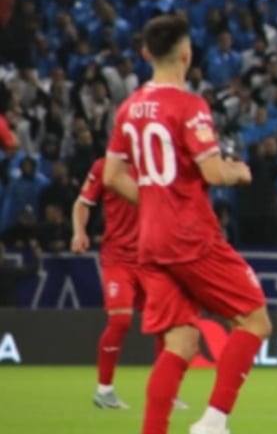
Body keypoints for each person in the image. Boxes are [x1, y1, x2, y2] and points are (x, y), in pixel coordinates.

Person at [102, 14, 270, 434]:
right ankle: (214, 421)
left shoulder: (128, 109)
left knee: (181, 343)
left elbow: (112, 176)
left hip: (152, 239)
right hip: (190, 236)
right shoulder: (190, 106)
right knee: (254, 320)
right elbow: (213, 174)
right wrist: (238, 171)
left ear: (145, 54)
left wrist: (157, 201)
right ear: (186, 53)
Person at [71, 156, 188, 411]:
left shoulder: (161, 164)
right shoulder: (105, 166)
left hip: (152, 258)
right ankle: (104, 390)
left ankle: (165, 391)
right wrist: (79, 231)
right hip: (118, 258)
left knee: (167, 324)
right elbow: (82, 203)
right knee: (120, 320)